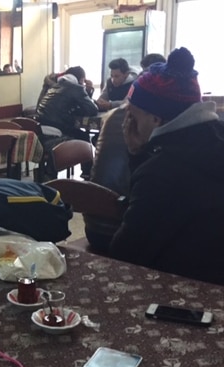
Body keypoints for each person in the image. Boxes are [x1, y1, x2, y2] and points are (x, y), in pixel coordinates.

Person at [110, 47, 224, 285]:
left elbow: (125, 254)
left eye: (133, 115)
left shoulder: (160, 174)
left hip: (189, 289)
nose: (128, 123)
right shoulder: (214, 137)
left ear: (156, 119)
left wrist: (136, 156)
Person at [84, 54, 167, 253]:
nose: (113, 79)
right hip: (120, 230)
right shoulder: (156, 123)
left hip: (93, 222)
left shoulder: (113, 116)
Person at [36, 66, 99, 178]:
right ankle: (88, 174)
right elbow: (92, 109)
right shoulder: (76, 88)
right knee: (83, 136)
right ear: (81, 80)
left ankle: (49, 173)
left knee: (80, 133)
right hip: (57, 133)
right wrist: (88, 91)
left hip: (40, 133)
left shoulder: (53, 87)